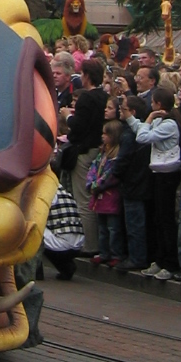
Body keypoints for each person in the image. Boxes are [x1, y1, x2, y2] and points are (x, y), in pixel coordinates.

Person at [124, 85, 181, 280]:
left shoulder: (169, 124)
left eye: (152, 102)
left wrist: (148, 119)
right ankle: (159, 259)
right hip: (157, 173)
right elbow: (140, 129)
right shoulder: (159, 121)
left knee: (166, 219)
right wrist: (131, 118)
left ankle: (170, 262)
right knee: (157, 218)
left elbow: (143, 137)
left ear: (158, 103)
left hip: (168, 174)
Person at [65, 57, 107, 256]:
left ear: (87, 76)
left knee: (83, 198)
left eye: (82, 73)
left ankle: (89, 244)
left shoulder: (86, 98)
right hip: (97, 149)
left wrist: (67, 116)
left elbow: (78, 126)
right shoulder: (104, 97)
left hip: (83, 150)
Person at [114, 94, 152, 273]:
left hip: (133, 183)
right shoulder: (139, 131)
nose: (120, 111)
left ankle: (137, 257)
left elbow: (123, 160)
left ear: (133, 112)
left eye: (124, 109)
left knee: (134, 224)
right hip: (139, 182)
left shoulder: (130, 135)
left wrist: (115, 173)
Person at [84, 121, 125, 266]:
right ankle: (103, 252)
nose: (102, 136)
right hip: (99, 197)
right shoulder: (102, 153)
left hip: (110, 196)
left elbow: (111, 175)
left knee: (113, 228)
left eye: (105, 134)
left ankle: (116, 253)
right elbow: (93, 168)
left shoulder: (116, 156)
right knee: (102, 227)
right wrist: (90, 182)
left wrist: (98, 185)